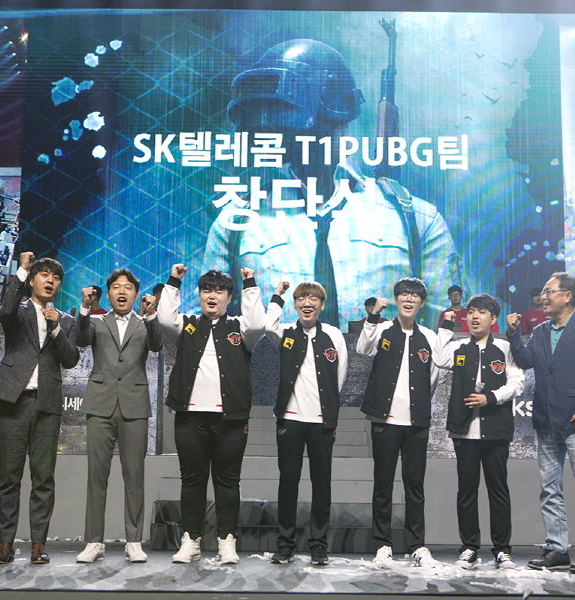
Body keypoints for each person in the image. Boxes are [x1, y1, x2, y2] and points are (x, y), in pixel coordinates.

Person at [203, 38, 458, 329]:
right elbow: (211, 327)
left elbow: (445, 329)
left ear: (339, 110)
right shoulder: (236, 223)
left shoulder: (415, 218)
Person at [158, 263, 265, 564]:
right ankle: (190, 541)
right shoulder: (187, 325)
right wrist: (173, 281)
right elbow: (164, 317)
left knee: (228, 482)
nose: (212, 296)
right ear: (200, 295)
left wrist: (250, 284)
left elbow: (258, 324)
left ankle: (226, 541)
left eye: (219, 291)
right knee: (192, 481)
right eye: (207, 290)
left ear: (229, 297)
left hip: (231, 419)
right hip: (190, 417)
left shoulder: (240, 328)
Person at [506, 272, 575, 574]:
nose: (544, 297)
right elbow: (526, 361)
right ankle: (557, 549)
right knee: (549, 489)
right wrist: (513, 334)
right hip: (546, 420)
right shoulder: (539, 331)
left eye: (549, 291)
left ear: (568, 296)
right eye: (543, 292)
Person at [0, 252, 80, 566]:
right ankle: (5, 544)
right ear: (33, 280)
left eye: (56, 277)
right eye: (44, 275)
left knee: (43, 477)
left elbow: (71, 359)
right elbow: (5, 310)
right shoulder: (19, 310)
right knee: (9, 477)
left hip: (47, 403)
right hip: (14, 400)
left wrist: (55, 329)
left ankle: (39, 544)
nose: (50, 281)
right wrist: (22, 270)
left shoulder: (65, 320)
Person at [74, 270, 163, 564]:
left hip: (134, 405)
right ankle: (93, 541)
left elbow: (157, 345)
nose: (122, 291)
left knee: (134, 476)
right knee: (96, 476)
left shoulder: (145, 323)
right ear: (109, 293)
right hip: (100, 404)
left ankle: (134, 541)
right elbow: (81, 339)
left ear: (136, 294)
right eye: (115, 287)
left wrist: (152, 315)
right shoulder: (97, 321)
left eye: (127, 287)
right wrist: (85, 307)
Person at [434, 294, 524, 570]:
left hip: (496, 430)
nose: (474, 317)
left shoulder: (505, 348)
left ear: (493, 319)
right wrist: (446, 327)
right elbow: (439, 357)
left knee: (498, 491)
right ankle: (469, 547)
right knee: (467, 491)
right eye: (471, 312)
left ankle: (502, 550)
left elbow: (518, 383)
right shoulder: (459, 347)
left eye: (481, 312)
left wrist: (491, 398)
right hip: (464, 431)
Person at [357, 278, 441, 569]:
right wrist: (372, 316)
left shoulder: (429, 336)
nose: (409, 299)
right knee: (383, 484)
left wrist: (417, 404)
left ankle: (417, 546)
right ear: (396, 300)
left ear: (421, 303)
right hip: (385, 419)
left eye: (415, 296)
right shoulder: (381, 329)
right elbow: (363, 348)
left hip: (416, 422)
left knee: (414, 485)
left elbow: (433, 377)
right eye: (404, 294)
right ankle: (382, 545)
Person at [264, 280, 347, 566]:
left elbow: (340, 376)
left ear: (322, 305)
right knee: (288, 483)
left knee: (322, 485)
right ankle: (285, 545)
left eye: (313, 299)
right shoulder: (286, 332)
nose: (307, 303)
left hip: (322, 423)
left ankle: (318, 546)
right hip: (290, 420)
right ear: (295, 304)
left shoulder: (334, 335)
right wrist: (278, 295)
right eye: (301, 299)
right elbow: (267, 326)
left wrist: (328, 410)